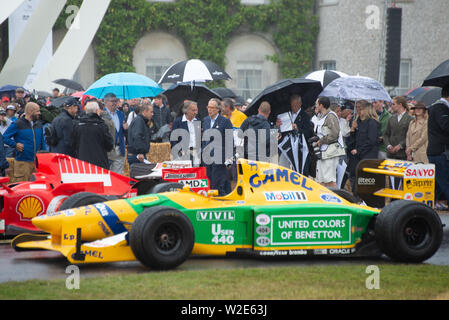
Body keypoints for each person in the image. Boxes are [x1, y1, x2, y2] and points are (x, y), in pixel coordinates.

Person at [3, 102, 44, 182]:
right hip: (22, 162)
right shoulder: (17, 124)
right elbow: (4, 137)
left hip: (37, 163)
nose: (39, 113)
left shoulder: (39, 124)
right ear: (30, 111)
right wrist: (15, 145)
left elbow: (42, 141)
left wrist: (44, 155)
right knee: (21, 187)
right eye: (37, 111)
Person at [202, 98, 233, 195]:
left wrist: (229, 157)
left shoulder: (225, 121)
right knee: (209, 182)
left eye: (212, 107)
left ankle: (221, 202)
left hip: (219, 157)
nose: (209, 109)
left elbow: (229, 140)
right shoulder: (206, 120)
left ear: (218, 109)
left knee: (217, 184)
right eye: (208, 107)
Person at [276, 94, 314, 176]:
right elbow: (282, 131)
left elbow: (308, 133)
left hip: (298, 148)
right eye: (292, 105)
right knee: (283, 167)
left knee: (297, 169)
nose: (293, 107)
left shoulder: (305, 117)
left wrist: (297, 129)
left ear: (300, 104)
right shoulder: (286, 114)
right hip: (286, 146)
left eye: (295, 105)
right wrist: (278, 126)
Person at [313, 96, 345, 188]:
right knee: (321, 180)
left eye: (317, 104)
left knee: (330, 180)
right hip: (324, 152)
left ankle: (336, 200)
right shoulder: (321, 116)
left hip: (331, 152)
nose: (315, 106)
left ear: (321, 105)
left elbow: (335, 134)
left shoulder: (331, 116)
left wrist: (322, 141)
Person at [71, 101, 113, 169]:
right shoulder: (101, 126)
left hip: (82, 162)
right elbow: (109, 145)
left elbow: (73, 144)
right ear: (97, 111)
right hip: (99, 162)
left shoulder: (77, 125)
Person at [427, 84, 449, 209]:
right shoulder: (441, 108)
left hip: (437, 151)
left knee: (438, 182)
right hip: (440, 152)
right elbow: (445, 126)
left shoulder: (438, 108)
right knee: (445, 181)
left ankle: (430, 203)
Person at [384, 96, 413, 160]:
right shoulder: (391, 118)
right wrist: (388, 145)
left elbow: (411, 136)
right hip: (390, 154)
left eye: (393, 104)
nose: (391, 106)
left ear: (400, 105)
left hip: (402, 154)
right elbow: (386, 134)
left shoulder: (410, 119)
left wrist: (400, 145)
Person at [171, 101, 200, 165]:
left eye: (196, 110)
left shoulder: (197, 121)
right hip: (183, 153)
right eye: (193, 110)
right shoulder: (178, 122)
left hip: (196, 152)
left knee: (195, 172)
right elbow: (173, 139)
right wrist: (179, 151)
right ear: (186, 111)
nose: (196, 112)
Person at [104, 93, 127, 174]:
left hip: (120, 148)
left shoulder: (121, 114)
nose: (115, 103)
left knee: (118, 175)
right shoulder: (102, 115)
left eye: (116, 101)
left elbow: (123, 132)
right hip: (108, 150)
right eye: (112, 101)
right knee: (107, 173)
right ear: (106, 102)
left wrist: (125, 129)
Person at [127, 102, 154, 166]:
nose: (152, 114)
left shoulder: (142, 121)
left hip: (138, 154)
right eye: (151, 112)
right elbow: (137, 137)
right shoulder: (139, 121)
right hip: (137, 155)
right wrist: (140, 152)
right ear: (144, 112)